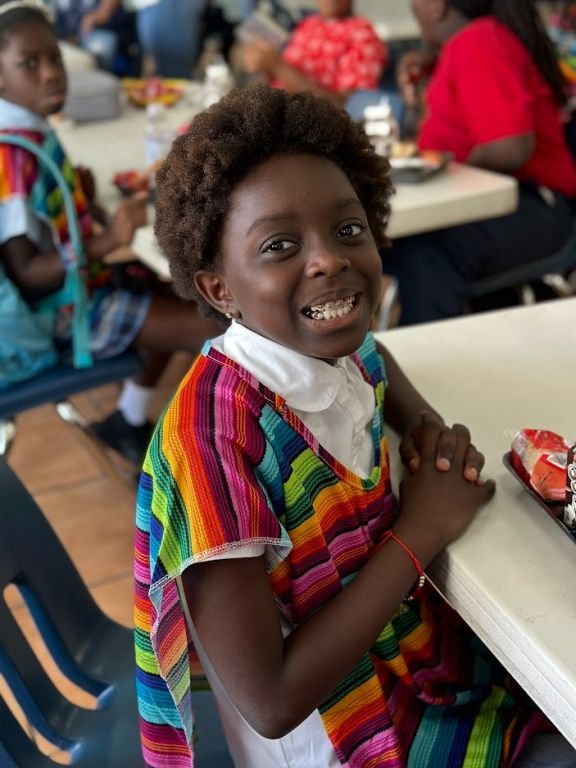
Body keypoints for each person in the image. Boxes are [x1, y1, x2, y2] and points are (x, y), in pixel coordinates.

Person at [134, 84, 576, 767]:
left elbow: (377, 355)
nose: (329, 259)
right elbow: (272, 701)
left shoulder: (325, 343)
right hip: (341, 736)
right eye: (280, 245)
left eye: (348, 230)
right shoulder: (212, 447)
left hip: (404, 661)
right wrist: (420, 531)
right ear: (221, 290)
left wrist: (421, 421)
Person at [0, 0, 224, 464]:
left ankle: (129, 417)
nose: (50, 74)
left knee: (180, 288)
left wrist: (80, 200)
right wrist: (111, 237)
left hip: (81, 291)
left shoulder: (29, 132)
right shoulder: (12, 155)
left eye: (55, 58)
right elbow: (25, 272)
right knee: (224, 327)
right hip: (64, 315)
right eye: (30, 64)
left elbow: (46, 229)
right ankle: (212, 455)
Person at [383, 0, 576, 326]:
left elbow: (510, 148)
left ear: (435, 6)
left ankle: (428, 362)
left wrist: (446, 180)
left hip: (537, 208)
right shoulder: (477, 41)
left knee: (425, 252)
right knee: (403, 247)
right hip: (526, 206)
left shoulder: (478, 42)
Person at [238, 0, 388, 107]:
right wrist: (264, 66)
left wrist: (277, 66)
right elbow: (277, 82)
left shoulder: (363, 36)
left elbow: (345, 108)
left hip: (311, 137)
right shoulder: (308, 25)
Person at [52, 0, 141, 75]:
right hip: (70, 41)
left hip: (100, 37)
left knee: (100, 48)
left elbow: (105, 13)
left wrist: (98, 16)